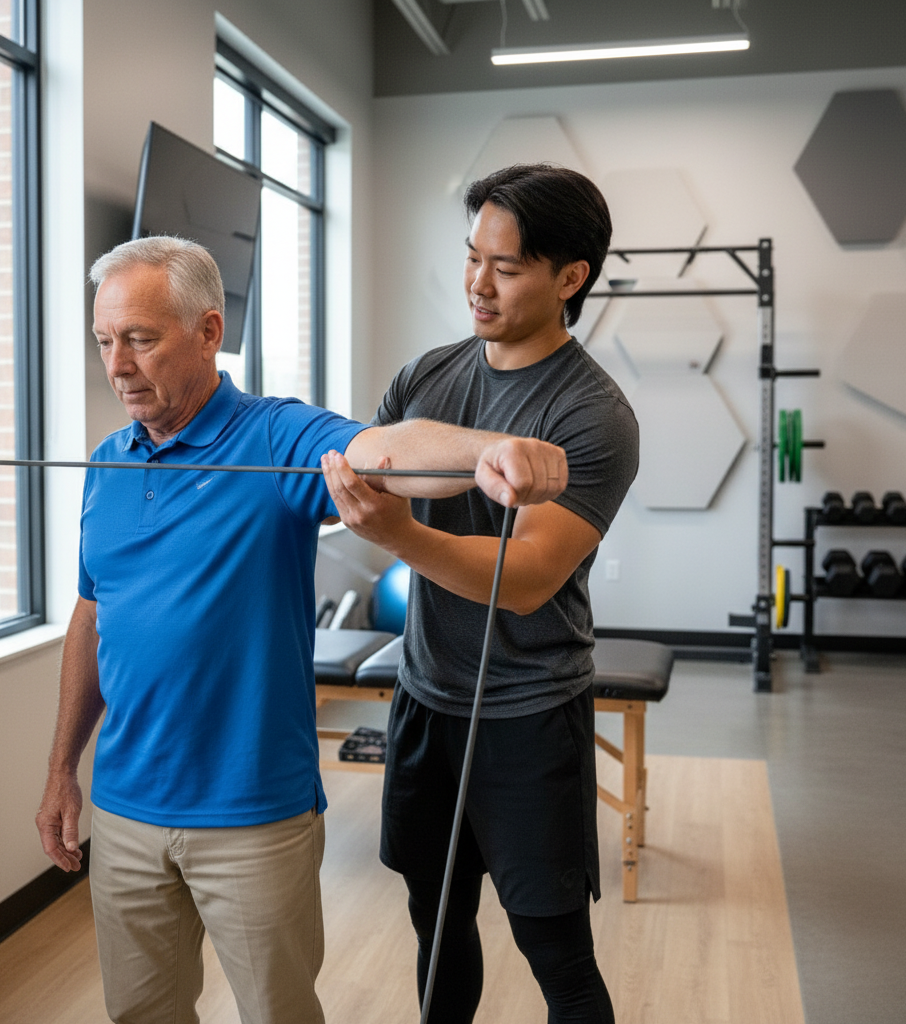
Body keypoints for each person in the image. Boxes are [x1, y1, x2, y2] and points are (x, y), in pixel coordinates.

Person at [34, 235, 568, 1024]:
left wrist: (493, 451)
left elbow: (381, 451)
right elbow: (92, 614)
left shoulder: (273, 438)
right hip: (124, 811)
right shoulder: (108, 463)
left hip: (253, 818)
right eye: (105, 340)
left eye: (141, 339)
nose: (117, 365)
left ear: (209, 332)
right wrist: (59, 773)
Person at [321, 164, 640, 1024]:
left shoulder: (593, 415)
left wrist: (398, 537)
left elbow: (529, 581)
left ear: (570, 278)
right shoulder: (429, 375)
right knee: (437, 930)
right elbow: (374, 459)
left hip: (529, 713)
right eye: (472, 257)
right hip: (427, 700)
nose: (477, 282)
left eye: (506, 267)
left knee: (557, 956)